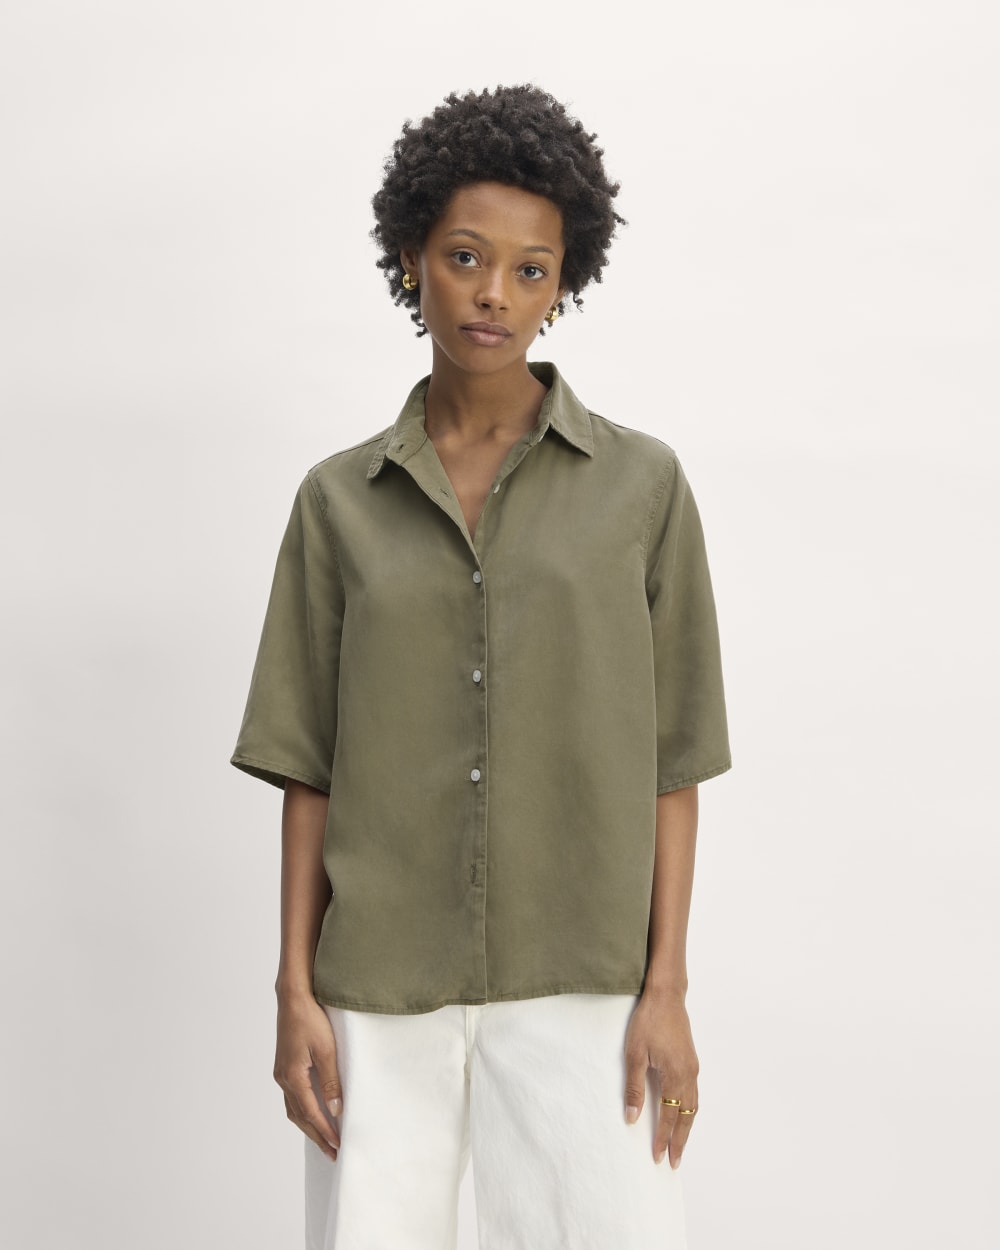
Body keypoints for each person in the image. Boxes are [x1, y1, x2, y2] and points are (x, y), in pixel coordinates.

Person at [231, 84, 731, 1250]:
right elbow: (308, 766)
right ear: (412, 257)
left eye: (529, 269)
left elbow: (675, 761)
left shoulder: (642, 488)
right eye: (465, 257)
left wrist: (666, 986)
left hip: (584, 978)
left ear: (564, 283)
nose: (494, 292)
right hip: (376, 984)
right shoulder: (337, 501)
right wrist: (294, 987)